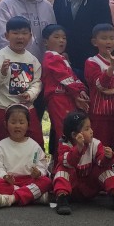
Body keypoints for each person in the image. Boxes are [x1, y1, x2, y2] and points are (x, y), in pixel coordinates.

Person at [51, 110, 114, 215]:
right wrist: (78, 149)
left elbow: (101, 162)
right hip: (72, 189)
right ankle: (62, 199)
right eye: (87, 129)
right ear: (74, 135)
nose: (91, 131)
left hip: (90, 187)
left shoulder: (95, 143)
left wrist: (108, 157)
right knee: (62, 169)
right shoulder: (65, 145)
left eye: (90, 127)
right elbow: (67, 162)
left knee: (104, 169)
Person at [53, 0, 112, 81]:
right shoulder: (60, 0)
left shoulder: (101, 0)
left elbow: (105, 33)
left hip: (93, 63)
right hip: (65, 61)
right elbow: (56, 30)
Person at [0, 16, 43, 145]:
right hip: (3, 107)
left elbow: (37, 82)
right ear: (7, 36)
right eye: (15, 33)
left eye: (24, 33)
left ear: (30, 36)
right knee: (0, 142)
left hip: (26, 108)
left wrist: (30, 94)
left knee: (36, 141)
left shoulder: (33, 60)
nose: (20, 37)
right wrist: (1, 73)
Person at [0, 104, 50, 207]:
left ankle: (12, 198)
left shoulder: (34, 145)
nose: (17, 126)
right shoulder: (1, 146)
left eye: (21, 122)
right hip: (10, 182)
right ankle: (32, 195)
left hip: (29, 180)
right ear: (6, 124)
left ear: (28, 124)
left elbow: (42, 165)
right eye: (13, 122)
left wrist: (39, 172)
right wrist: (5, 176)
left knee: (46, 181)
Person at [41, 24, 89, 157]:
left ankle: (72, 158)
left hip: (68, 96)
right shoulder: (51, 57)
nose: (61, 40)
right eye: (56, 37)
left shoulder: (61, 58)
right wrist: (77, 92)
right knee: (63, 129)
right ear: (45, 42)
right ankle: (63, 159)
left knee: (71, 127)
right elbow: (64, 77)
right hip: (57, 98)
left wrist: (81, 90)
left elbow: (72, 76)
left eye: (64, 38)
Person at [85, 23, 114, 147]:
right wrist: (110, 69)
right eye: (104, 38)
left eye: (112, 38)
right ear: (94, 42)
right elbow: (99, 85)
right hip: (100, 116)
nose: (108, 42)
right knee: (101, 148)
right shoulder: (92, 62)